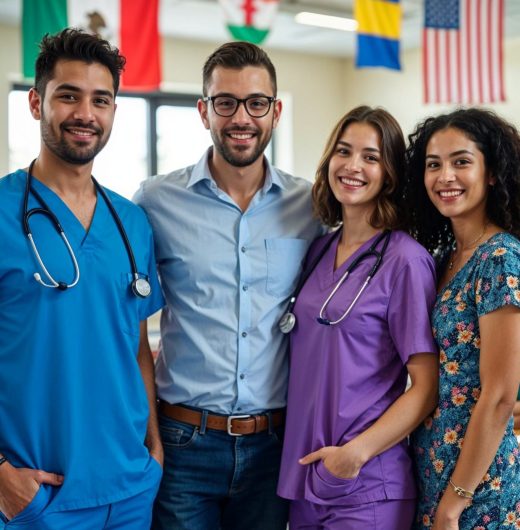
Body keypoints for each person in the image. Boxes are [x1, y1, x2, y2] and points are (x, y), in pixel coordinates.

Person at [133, 41, 322, 530]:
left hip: (274, 446)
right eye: (226, 103)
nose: (242, 117)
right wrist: (149, 435)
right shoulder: (155, 201)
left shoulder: (312, 207)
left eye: (256, 103)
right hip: (182, 443)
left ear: (275, 112)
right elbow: (129, 321)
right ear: (204, 110)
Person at [0, 29, 164, 529]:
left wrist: (153, 447)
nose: (85, 114)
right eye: (67, 95)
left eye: (101, 99)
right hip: (39, 496)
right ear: (36, 102)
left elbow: (136, 345)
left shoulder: (131, 221)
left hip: (130, 487)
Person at [276, 106, 439, 530]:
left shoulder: (406, 260)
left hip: (367, 483)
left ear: (390, 174)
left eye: (371, 157)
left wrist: (355, 454)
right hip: (306, 477)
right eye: (343, 152)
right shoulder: (318, 252)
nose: (352, 166)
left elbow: (425, 386)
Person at [407, 108, 520, 530]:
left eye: (461, 162)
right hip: (433, 468)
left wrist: (454, 504)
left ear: (491, 172)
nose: (445, 176)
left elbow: (499, 396)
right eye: (433, 165)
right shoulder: (444, 260)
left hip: (478, 487)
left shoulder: (500, 258)